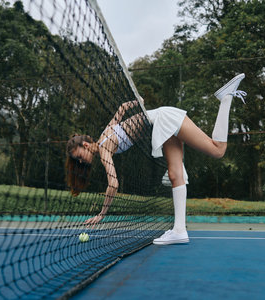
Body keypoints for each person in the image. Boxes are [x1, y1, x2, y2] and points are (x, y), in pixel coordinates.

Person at [66, 74, 246, 245]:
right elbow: (122, 108)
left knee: (217, 150)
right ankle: (179, 230)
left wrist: (101, 214)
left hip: (163, 119)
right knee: (175, 174)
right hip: (161, 123)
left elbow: (113, 184)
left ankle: (226, 97)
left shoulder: (104, 148)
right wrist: (137, 103)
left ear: (86, 146)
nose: (81, 161)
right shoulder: (105, 133)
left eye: (79, 156)